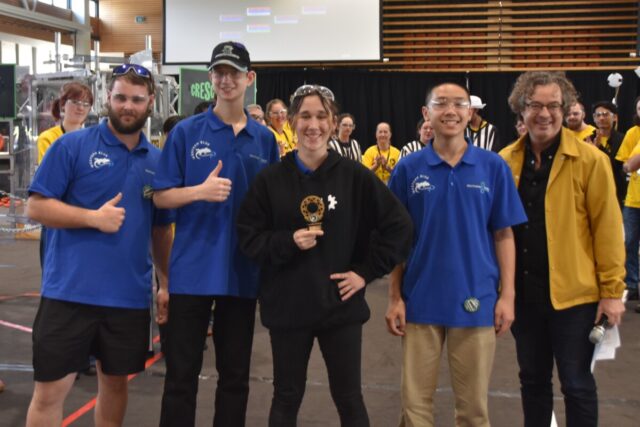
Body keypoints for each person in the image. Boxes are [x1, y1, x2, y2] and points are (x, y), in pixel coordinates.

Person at [237, 84, 413, 427]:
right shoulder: (270, 180)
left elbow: (400, 226)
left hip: (340, 308)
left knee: (349, 399)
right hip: (287, 306)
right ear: (291, 121)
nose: (313, 125)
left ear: (333, 123)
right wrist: (287, 241)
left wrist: (364, 272)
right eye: (305, 116)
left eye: (321, 116)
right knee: (285, 397)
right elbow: (248, 237)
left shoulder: (355, 177)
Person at [24, 63, 173, 427]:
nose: (127, 106)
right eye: (121, 97)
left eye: (137, 100)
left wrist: (166, 283)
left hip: (127, 299)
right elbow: (36, 206)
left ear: (150, 102)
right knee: (49, 393)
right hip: (68, 294)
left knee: (116, 386)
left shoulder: (158, 162)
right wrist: (92, 218)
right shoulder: (71, 146)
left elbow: (160, 231)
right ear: (109, 97)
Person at [153, 41, 279, 427]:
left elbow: (273, 207)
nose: (226, 80)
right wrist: (198, 192)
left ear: (249, 79)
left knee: (235, 379)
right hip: (191, 273)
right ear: (210, 79)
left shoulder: (265, 140)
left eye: (234, 73)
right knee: (180, 378)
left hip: (242, 275)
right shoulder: (186, 133)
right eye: (219, 73)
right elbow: (160, 197)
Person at [386, 82, 526, 427]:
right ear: (426, 114)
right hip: (419, 299)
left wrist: (507, 296)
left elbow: (504, 233)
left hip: (476, 300)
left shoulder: (493, 167)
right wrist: (394, 297)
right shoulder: (408, 168)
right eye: (441, 104)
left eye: (458, 104)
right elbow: (395, 239)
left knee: (474, 410)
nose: (450, 111)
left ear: (470, 113)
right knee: (415, 408)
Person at [500, 71, 625, 426]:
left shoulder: (591, 161)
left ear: (566, 109)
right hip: (524, 297)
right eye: (535, 105)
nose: (545, 113)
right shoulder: (504, 162)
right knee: (532, 381)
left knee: (578, 384)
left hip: (576, 299)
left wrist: (612, 292)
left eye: (553, 105)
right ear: (520, 110)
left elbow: (608, 232)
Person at [615, 95, 640, 303]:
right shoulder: (633, 133)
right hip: (633, 200)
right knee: (630, 242)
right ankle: (632, 283)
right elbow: (626, 164)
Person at [37, 82, 94, 165]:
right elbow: (49, 173)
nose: (81, 108)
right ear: (63, 104)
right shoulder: (48, 138)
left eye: (86, 104)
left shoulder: (92, 139)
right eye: (75, 102)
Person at [590, 101, 626, 208]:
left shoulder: (622, 139)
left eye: (605, 114)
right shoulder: (588, 139)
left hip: (616, 189)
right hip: (594, 189)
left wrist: (599, 148)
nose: (601, 118)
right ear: (594, 118)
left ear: (614, 117)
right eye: (598, 115)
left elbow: (617, 166)